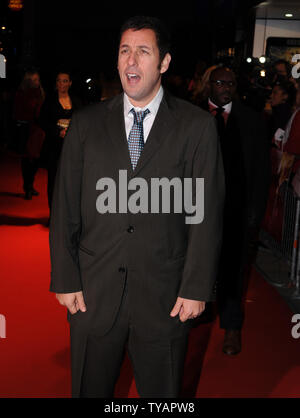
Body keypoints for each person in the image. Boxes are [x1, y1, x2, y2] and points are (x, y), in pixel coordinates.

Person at [49, 16, 225, 398]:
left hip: (166, 297)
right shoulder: (85, 124)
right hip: (93, 295)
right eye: (125, 51)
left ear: (163, 62)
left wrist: (196, 286)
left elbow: (205, 214)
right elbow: (64, 206)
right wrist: (65, 277)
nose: (132, 61)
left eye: (143, 52)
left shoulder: (196, 127)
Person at [199, 67, 270, 355]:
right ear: (209, 85)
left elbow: (261, 171)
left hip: (236, 210)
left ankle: (231, 327)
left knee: (233, 269)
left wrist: (255, 210)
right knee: (198, 263)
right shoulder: (192, 115)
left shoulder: (252, 120)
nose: (225, 87)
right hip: (196, 208)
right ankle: (198, 313)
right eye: (220, 82)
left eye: (230, 83)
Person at [38, 71, 82, 216]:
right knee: (54, 181)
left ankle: (68, 216)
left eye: (65, 81)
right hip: (54, 146)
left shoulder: (76, 101)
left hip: (72, 148)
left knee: (71, 181)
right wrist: (58, 132)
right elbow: (42, 121)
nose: (61, 84)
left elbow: (82, 121)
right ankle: (54, 215)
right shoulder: (49, 101)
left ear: (70, 83)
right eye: (59, 81)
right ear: (56, 83)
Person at [13, 69, 45, 199]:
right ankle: (27, 186)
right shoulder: (22, 93)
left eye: (37, 79)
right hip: (26, 128)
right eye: (34, 80)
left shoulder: (40, 92)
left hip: (37, 129)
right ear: (28, 81)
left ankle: (30, 185)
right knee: (27, 158)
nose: (37, 82)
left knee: (36, 158)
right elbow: (18, 112)